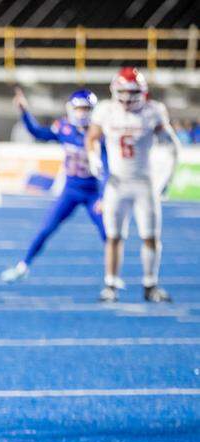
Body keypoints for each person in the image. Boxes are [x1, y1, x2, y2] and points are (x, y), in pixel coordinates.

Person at [85, 67, 181, 303]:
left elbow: (172, 145)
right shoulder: (106, 110)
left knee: (150, 236)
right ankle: (110, 284)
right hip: (116, 183)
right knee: (114, 236)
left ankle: (150, 284)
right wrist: (93, 157)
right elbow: (92, 138)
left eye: (132, 92)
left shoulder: (152, 111)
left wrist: (165, 178)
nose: (127, 98)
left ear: (142, 92)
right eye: (123, 92)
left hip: (144, 183)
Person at [0, 88, 106, 283]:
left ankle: (112, 278)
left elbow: (107, 167)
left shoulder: (100, 133)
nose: (82, 113)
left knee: (109, 234)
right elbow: (38, 132)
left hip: (94, 192)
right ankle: (23, 266)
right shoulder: (64, 128)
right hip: (71, 191)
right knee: (46, 228)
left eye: (86, 109)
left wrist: (104, 197)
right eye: (79, 108)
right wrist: (24, 112)